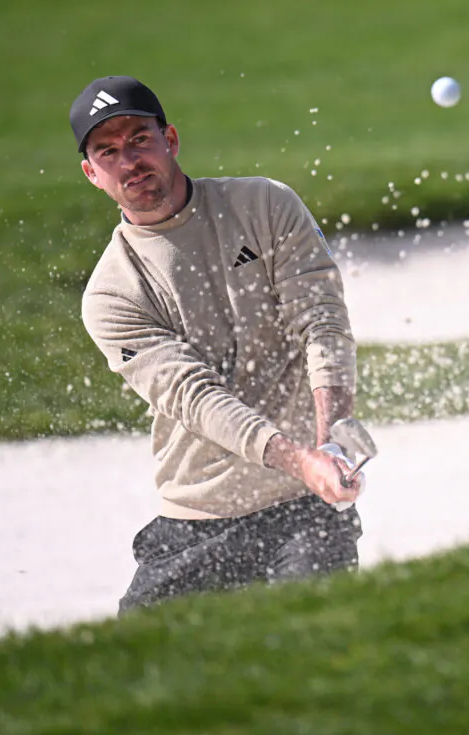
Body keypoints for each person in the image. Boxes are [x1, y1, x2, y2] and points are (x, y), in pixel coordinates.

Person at [68, 75, 364, 613]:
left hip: (303, 507)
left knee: (312, 643)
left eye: (139, 139)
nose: (130, 162)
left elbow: (323, 322)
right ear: (92, 173)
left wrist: (333, 445)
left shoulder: (264, 205)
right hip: (194, 519)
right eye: (108, 152)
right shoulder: (112, 294)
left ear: (171, 139)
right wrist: (303, 459)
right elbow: (198, 399)